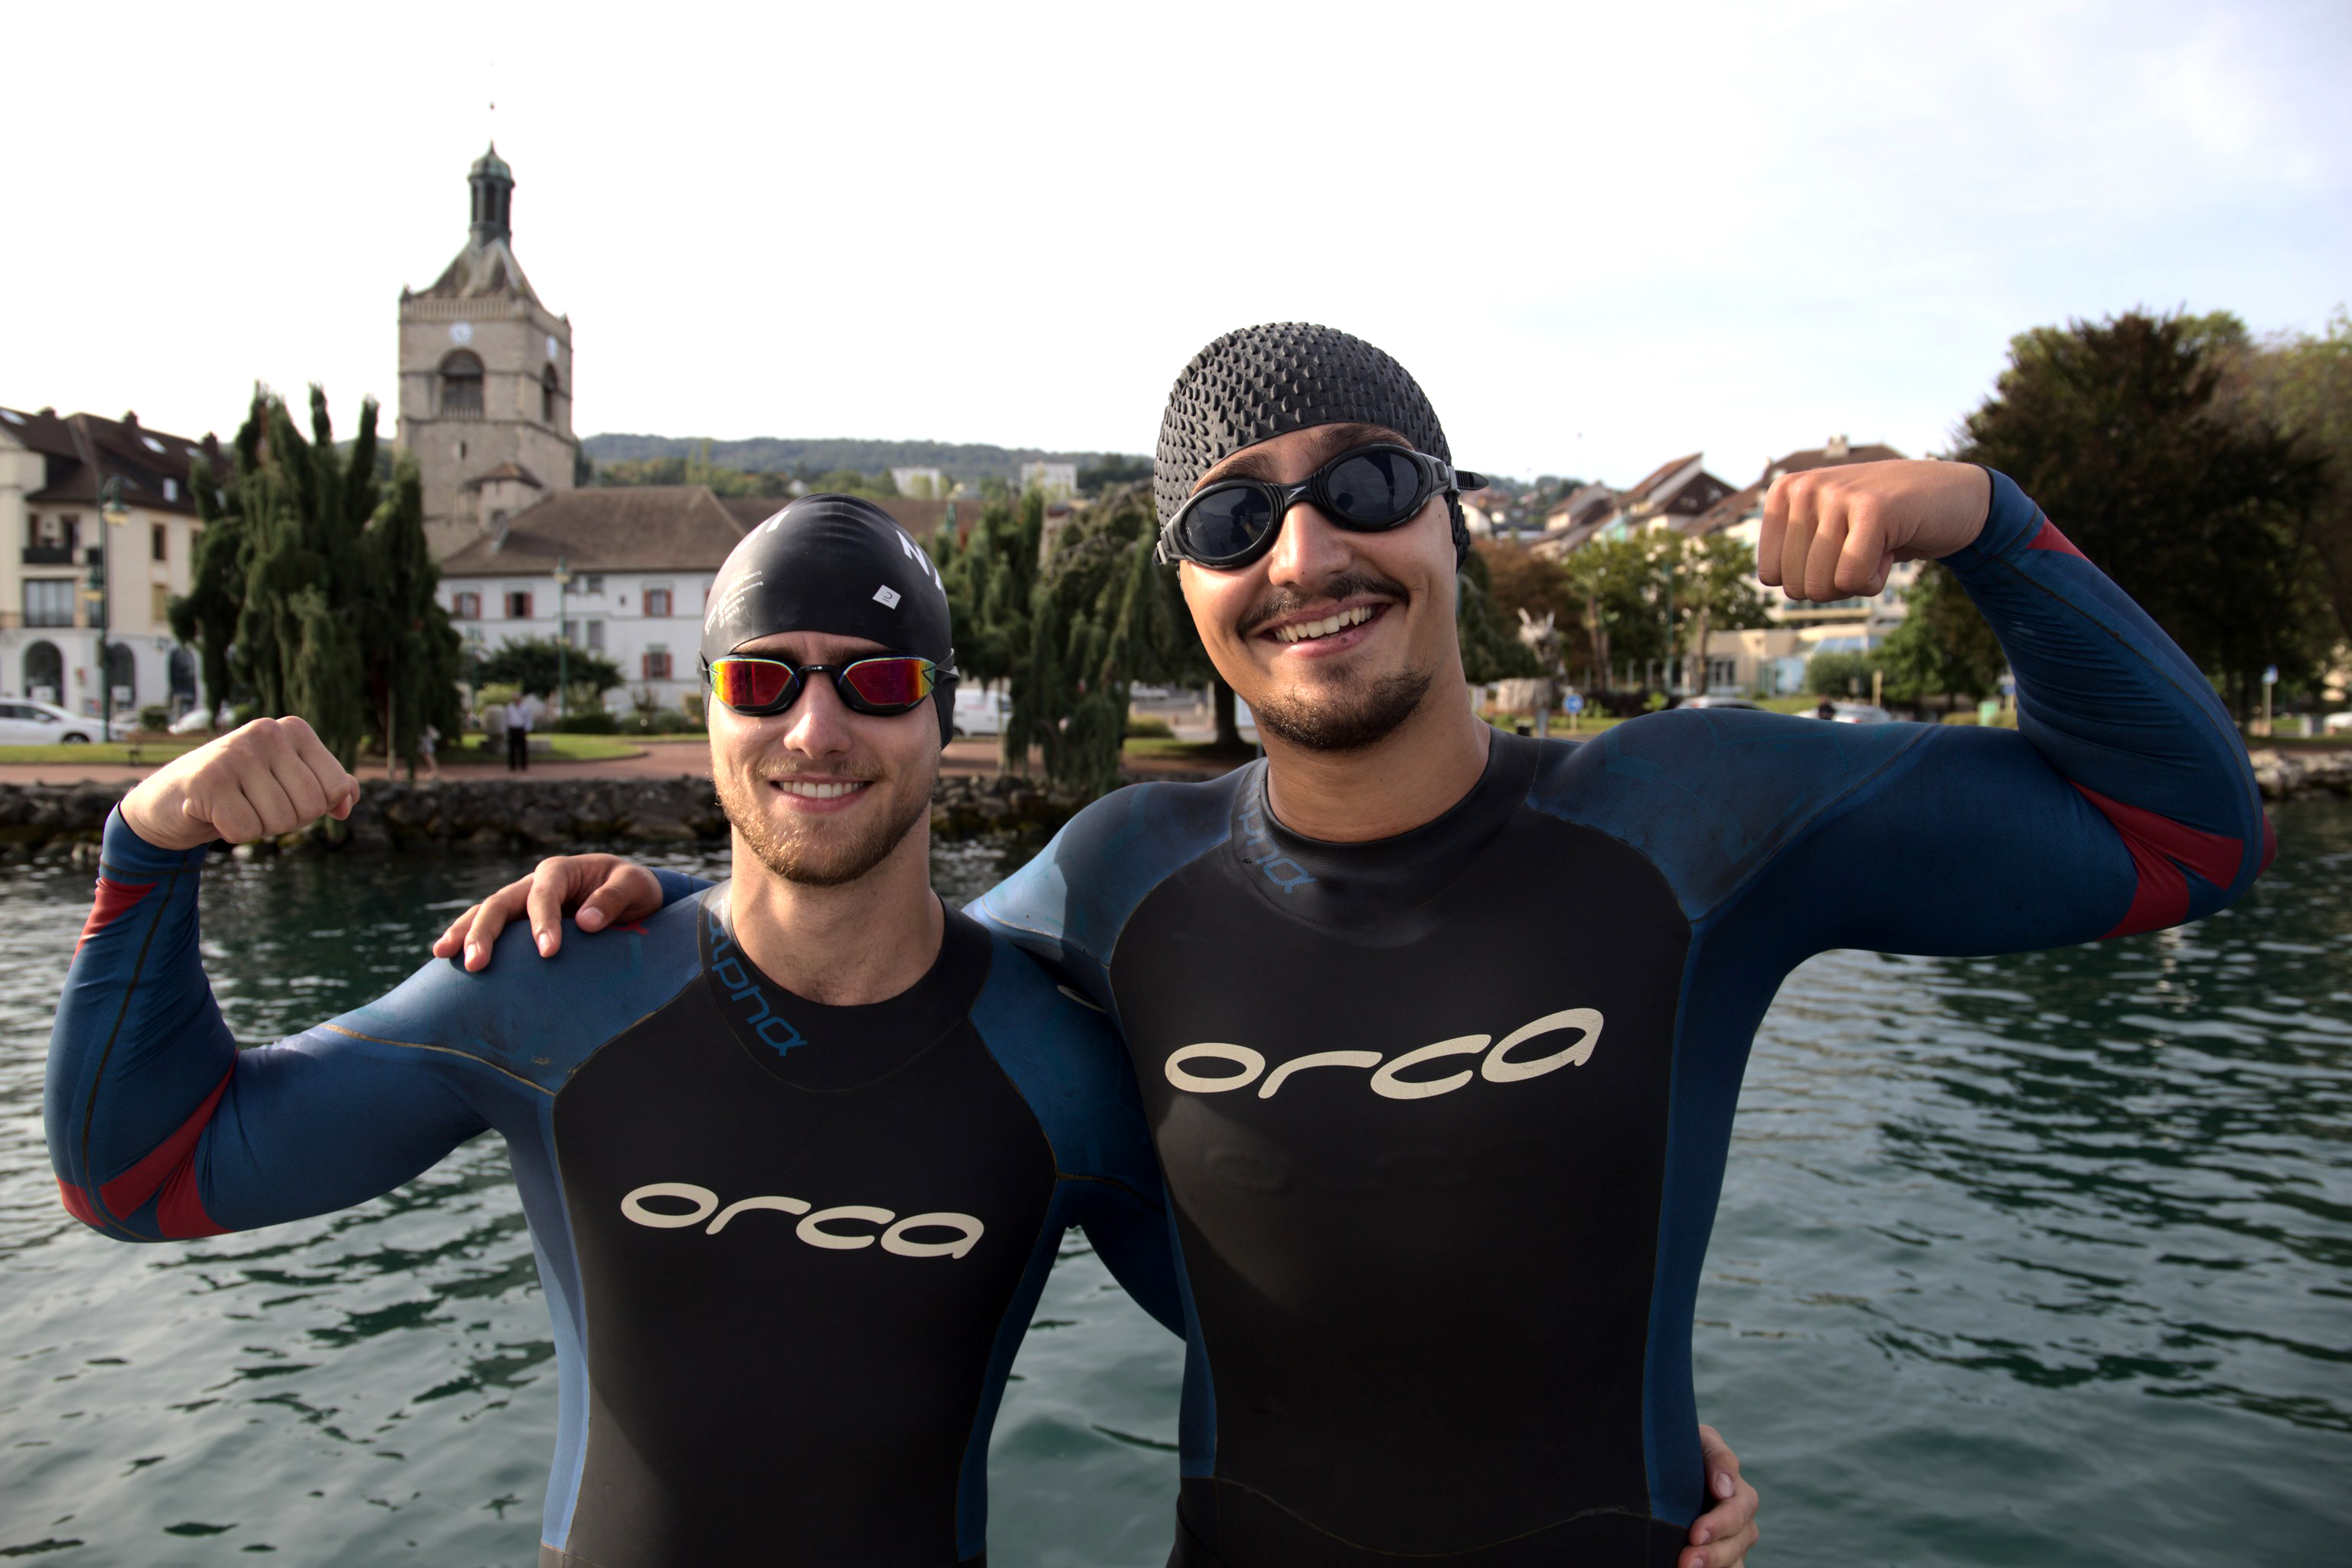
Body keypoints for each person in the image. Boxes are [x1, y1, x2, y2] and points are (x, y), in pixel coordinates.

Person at [485, 319, 2297, 1566]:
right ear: (1187, 592)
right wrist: (661, 917)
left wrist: (1986, 525)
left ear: (1452, 517)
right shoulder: (1114, 877)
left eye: (1358, 483)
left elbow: (2183, 831)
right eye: (1225, 513)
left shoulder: (1685, 819)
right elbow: (860, 974)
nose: (1297, 545)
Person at [49, 496, 1266, 1566]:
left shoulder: (1059, 1068)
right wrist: (148, 848)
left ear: (941, 719)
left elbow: (1326, 1342)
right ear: (714, 712)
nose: (816, 731)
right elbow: (141, 1175)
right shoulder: (551, 995)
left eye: (880, 682)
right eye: (763, 679)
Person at [506, 691, 533, 772]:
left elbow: (528, 719)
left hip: (521, 729)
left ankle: (523, 765)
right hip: (512, 728)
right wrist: (504, 729)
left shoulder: (525, 708)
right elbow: (506, 719)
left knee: (523, 748)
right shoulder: (509, 707)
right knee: (512, 748)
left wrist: (527, 729)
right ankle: (512, 765)